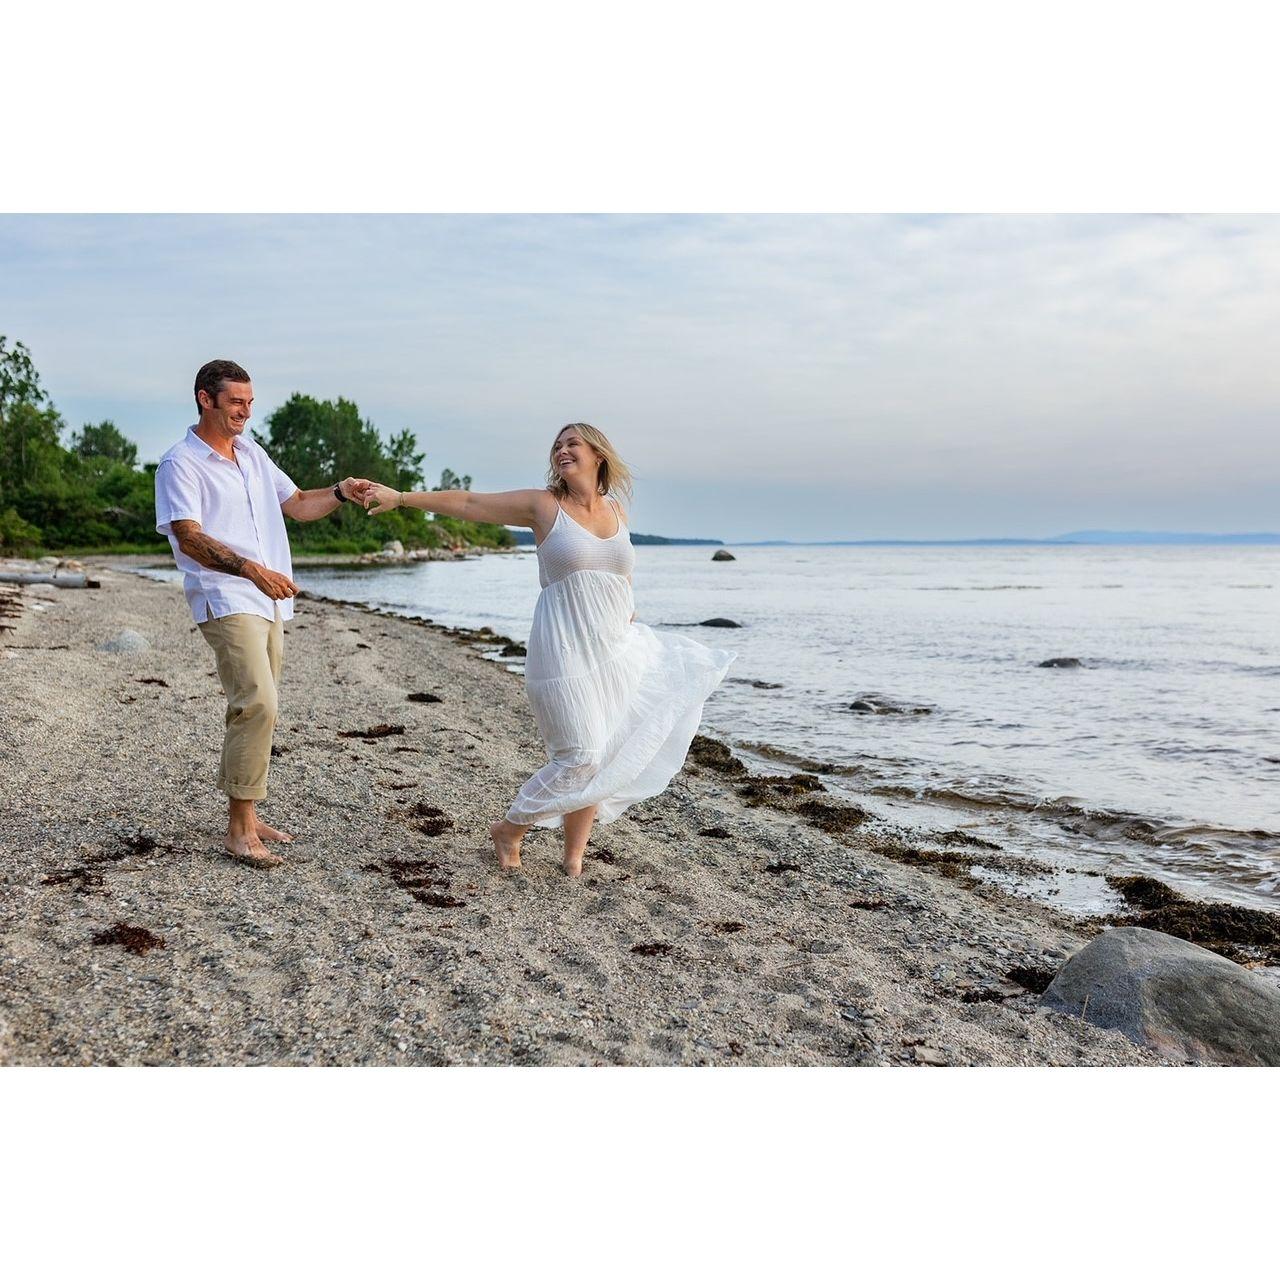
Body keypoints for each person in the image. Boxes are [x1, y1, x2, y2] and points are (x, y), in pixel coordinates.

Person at [358, 422, 736, 876]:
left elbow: (620, 573)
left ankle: (574, 858)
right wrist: (401, 498)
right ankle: (511, 827)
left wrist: (629, 608)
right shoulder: (544, 506)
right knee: (580, 754)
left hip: (615, 648)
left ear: (598, 454)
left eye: (572, 443)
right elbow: (470, 503)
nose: (561, 450)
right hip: (562, 649)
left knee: (608, 750)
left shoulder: (617, 511)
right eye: (557, 445)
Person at [154, 359, 369, 868]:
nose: (245, 412)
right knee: (257, 701)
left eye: (250, 402)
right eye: (235, 402)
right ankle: (237, 829)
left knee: (260, 704)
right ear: (205, 399)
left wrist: (340, 492)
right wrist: (251, 570)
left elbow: (296, 504)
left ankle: (248, 814)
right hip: (225, 595)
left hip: (268, 598)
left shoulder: (252, 454)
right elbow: (190, 537)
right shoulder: (180, 463)